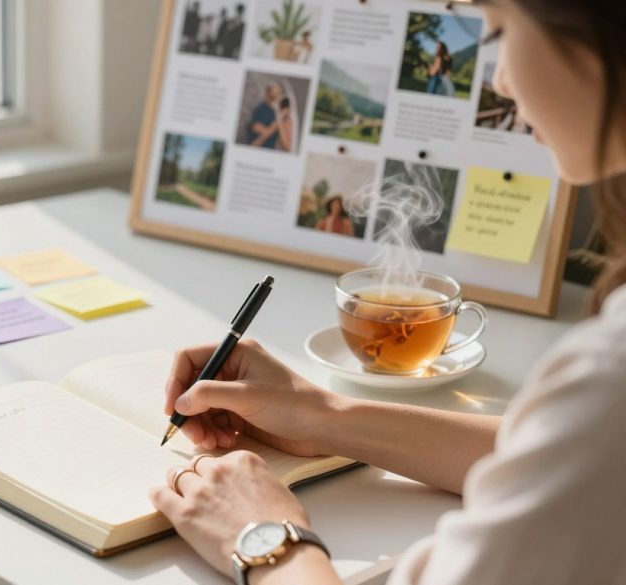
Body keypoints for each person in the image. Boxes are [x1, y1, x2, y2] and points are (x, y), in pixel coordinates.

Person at [151, 1, 626, 583]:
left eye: (500, 30)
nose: (499, 78)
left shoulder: (611, 372)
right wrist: (324, 416)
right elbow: (567, 458)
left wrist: (264, 538)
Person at [245, 83, 282, 149]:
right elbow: (262, 130)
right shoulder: (259, 109)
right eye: (272, 96)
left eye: (277, 96)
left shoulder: (275, 112)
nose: (275, 98)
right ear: (267, 95)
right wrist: (275, 125)